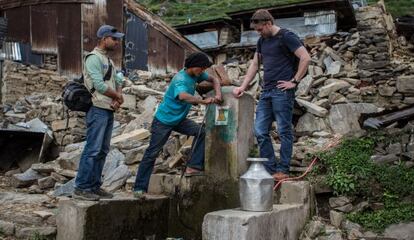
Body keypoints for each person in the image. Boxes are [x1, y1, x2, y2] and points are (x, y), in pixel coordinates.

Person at [233, 9, 311, 181]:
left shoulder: (286, 36)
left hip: (282, 91)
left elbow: (305, 57)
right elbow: (255, 64)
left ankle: (283, 169)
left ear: (268, 23)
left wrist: (294, 81)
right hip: (266, 91)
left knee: (284, 130)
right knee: (260, 130)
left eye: (260, 29)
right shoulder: (262, 40)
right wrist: (243, 87)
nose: (258, 33)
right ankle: (270, 170)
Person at [133, 52, 222, 198]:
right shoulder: (181, 79)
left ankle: (193, 166)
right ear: (193, 66)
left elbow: (214, 79)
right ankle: (139, 188)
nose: (203, 72)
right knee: (152, 153)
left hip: (179, 119)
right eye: (201, 68)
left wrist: (217, 94)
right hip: (163, 121)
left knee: (202, 132)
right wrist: (202, 101)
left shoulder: (196, 75)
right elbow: (183, 96)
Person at [73, 25, 125, 201]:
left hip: (107, 108)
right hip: (97, 109)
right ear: (104, 38)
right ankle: (81, 187)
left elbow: (117, 79)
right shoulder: (93, 58)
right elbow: (98, 85)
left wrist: (118, 96)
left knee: (102, 150)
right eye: (114, 39)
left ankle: (94, 186)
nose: (117, 42)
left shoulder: (107, 60)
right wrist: (117, 95)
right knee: (93, 149)